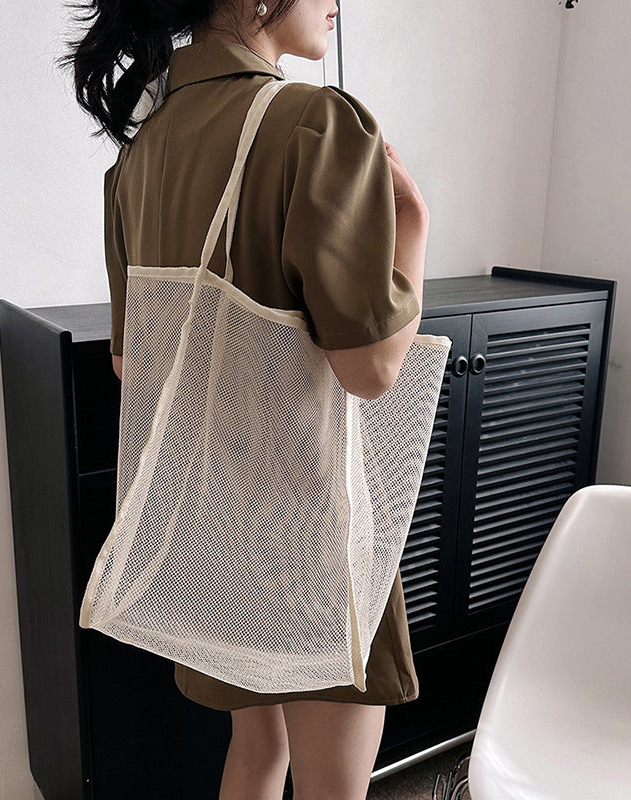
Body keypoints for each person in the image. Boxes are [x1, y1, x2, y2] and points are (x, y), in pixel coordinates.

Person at [60, 1, 430, 798]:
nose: (336, 4)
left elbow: (132, 362)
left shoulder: (139, 156)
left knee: (257, 753)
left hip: (213, 521)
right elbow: (372, 369)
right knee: (333, 786)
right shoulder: (313, 125)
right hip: (310, 528)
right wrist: (414, 225)